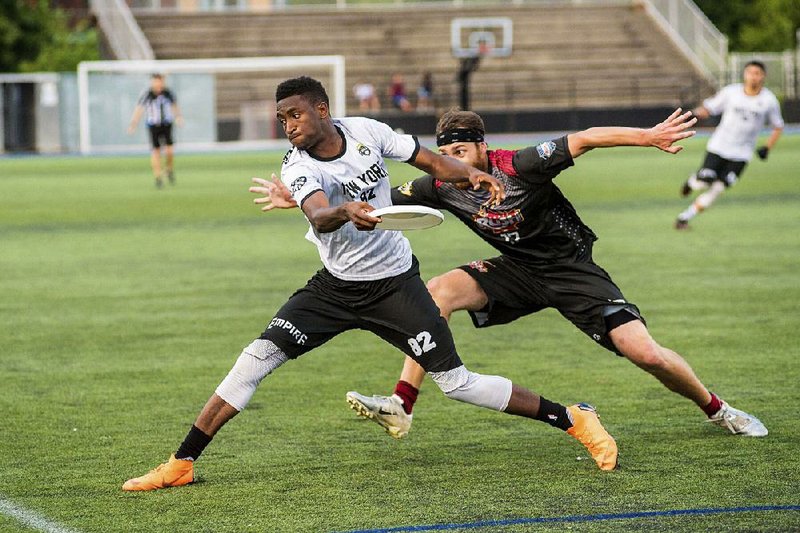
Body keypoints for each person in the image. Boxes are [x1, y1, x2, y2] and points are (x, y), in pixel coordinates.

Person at [122, 77, 619, 492]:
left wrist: (471, 175)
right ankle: (182, 463)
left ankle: (573, 418)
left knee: (459, 385)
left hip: (396, 287)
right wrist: (346, 211)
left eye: (295, 115)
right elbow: (319, 217)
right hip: (333, 290)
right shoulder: (296, 166)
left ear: (322, 109)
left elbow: (429, 162)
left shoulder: (367, 132)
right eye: (282, 120)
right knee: (255, 359)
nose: (288, 126)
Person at [264, 107, 767, 442]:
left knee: (646, 354)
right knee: (436, 292)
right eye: (446, 154)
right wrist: (300, 202)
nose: (453, 163)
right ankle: (402, 404)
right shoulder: (439, 184)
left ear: (483, 146)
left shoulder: (521, 164)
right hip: (516, 272)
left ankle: (717, 408)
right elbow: (368, 205)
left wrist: (648, 137)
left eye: (461, 151)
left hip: (572, 273)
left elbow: (587, 138)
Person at [675, 60, 784, 229]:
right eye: (750, 73)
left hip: (742, 154)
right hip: (719, 147)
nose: (753, 77)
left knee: (718, 188)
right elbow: (709, 108)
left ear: (763, 76)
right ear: (744, 75)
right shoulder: (731, 92)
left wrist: (767, 147)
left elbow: (778, 126)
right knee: (704, 181)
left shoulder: (769, 100)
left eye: (757, 73)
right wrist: (690, 115)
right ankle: (691, 183)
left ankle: (684, 218)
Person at [127, 73, 183, 188]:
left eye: (160, 81)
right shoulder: (147, 94)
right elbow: (139, 109)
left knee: (169, 151)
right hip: (153, 126)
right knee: (156, 151)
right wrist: (133, 124)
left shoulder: (168, 93)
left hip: (167, 124)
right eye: (156, 81)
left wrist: (178, 117)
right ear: (152, 82)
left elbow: (174, 106)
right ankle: (158, 177)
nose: (158, 84)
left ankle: (169, 169)